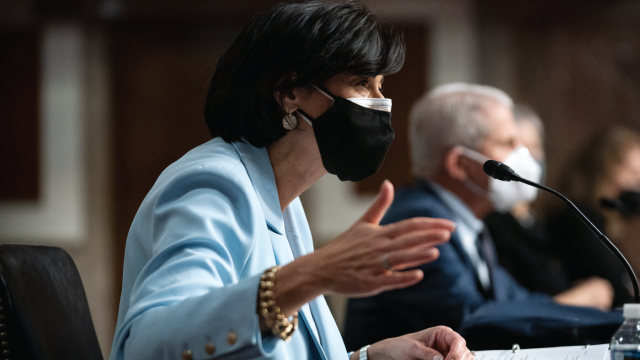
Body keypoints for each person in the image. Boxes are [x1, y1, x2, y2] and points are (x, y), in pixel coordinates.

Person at [108, 2, 473, 360]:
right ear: (290, 93)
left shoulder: (285, 201)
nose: (382, 102)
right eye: (362, 84)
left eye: (380, 85)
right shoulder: (213, 185)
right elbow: (147, 344)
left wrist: (368, 357)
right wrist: (315, 273)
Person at [344, 83, 621, 351]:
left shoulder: (470, 221)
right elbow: (472, 321)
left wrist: (616, 318)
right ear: (459, 164)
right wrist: (614, 322)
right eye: (508, 143)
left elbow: (516, 301)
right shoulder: (417, 220)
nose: (524, 155)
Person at [483, 105, 574, 295]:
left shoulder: (537, 220)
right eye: (518, 148)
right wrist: (573, 300)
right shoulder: (490, 224)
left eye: (535, 147)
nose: (529, 157)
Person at [548, 126, 640, 307]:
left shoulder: (602, 223)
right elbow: (617, 287)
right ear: (604, 169)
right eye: (632, 173)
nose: (635, 187)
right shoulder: (579, 219)